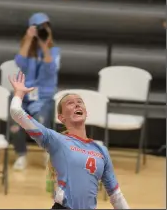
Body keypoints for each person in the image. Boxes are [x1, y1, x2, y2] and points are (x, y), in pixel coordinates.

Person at [9, 71, 130, 209]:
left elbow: (116, 196)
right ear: (61, 117)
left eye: (79, 102)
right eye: (70, 103)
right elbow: (16, 112)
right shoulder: (55, 140)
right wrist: (19, 94)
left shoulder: (101, 151)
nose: (77, 105)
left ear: (86, 112)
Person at [10, 12, 60, 170]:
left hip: (43, 98)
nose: (41, 32)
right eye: (39, 28)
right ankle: (21, 155)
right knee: (15, 122)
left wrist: (45, 46)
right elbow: (20, 63)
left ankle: (48, 153)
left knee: (40, 121)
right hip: (25, 96)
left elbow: (50, 69)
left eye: (45, 28)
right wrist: (29, 37)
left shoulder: (54, 51)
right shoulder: (27, 49)